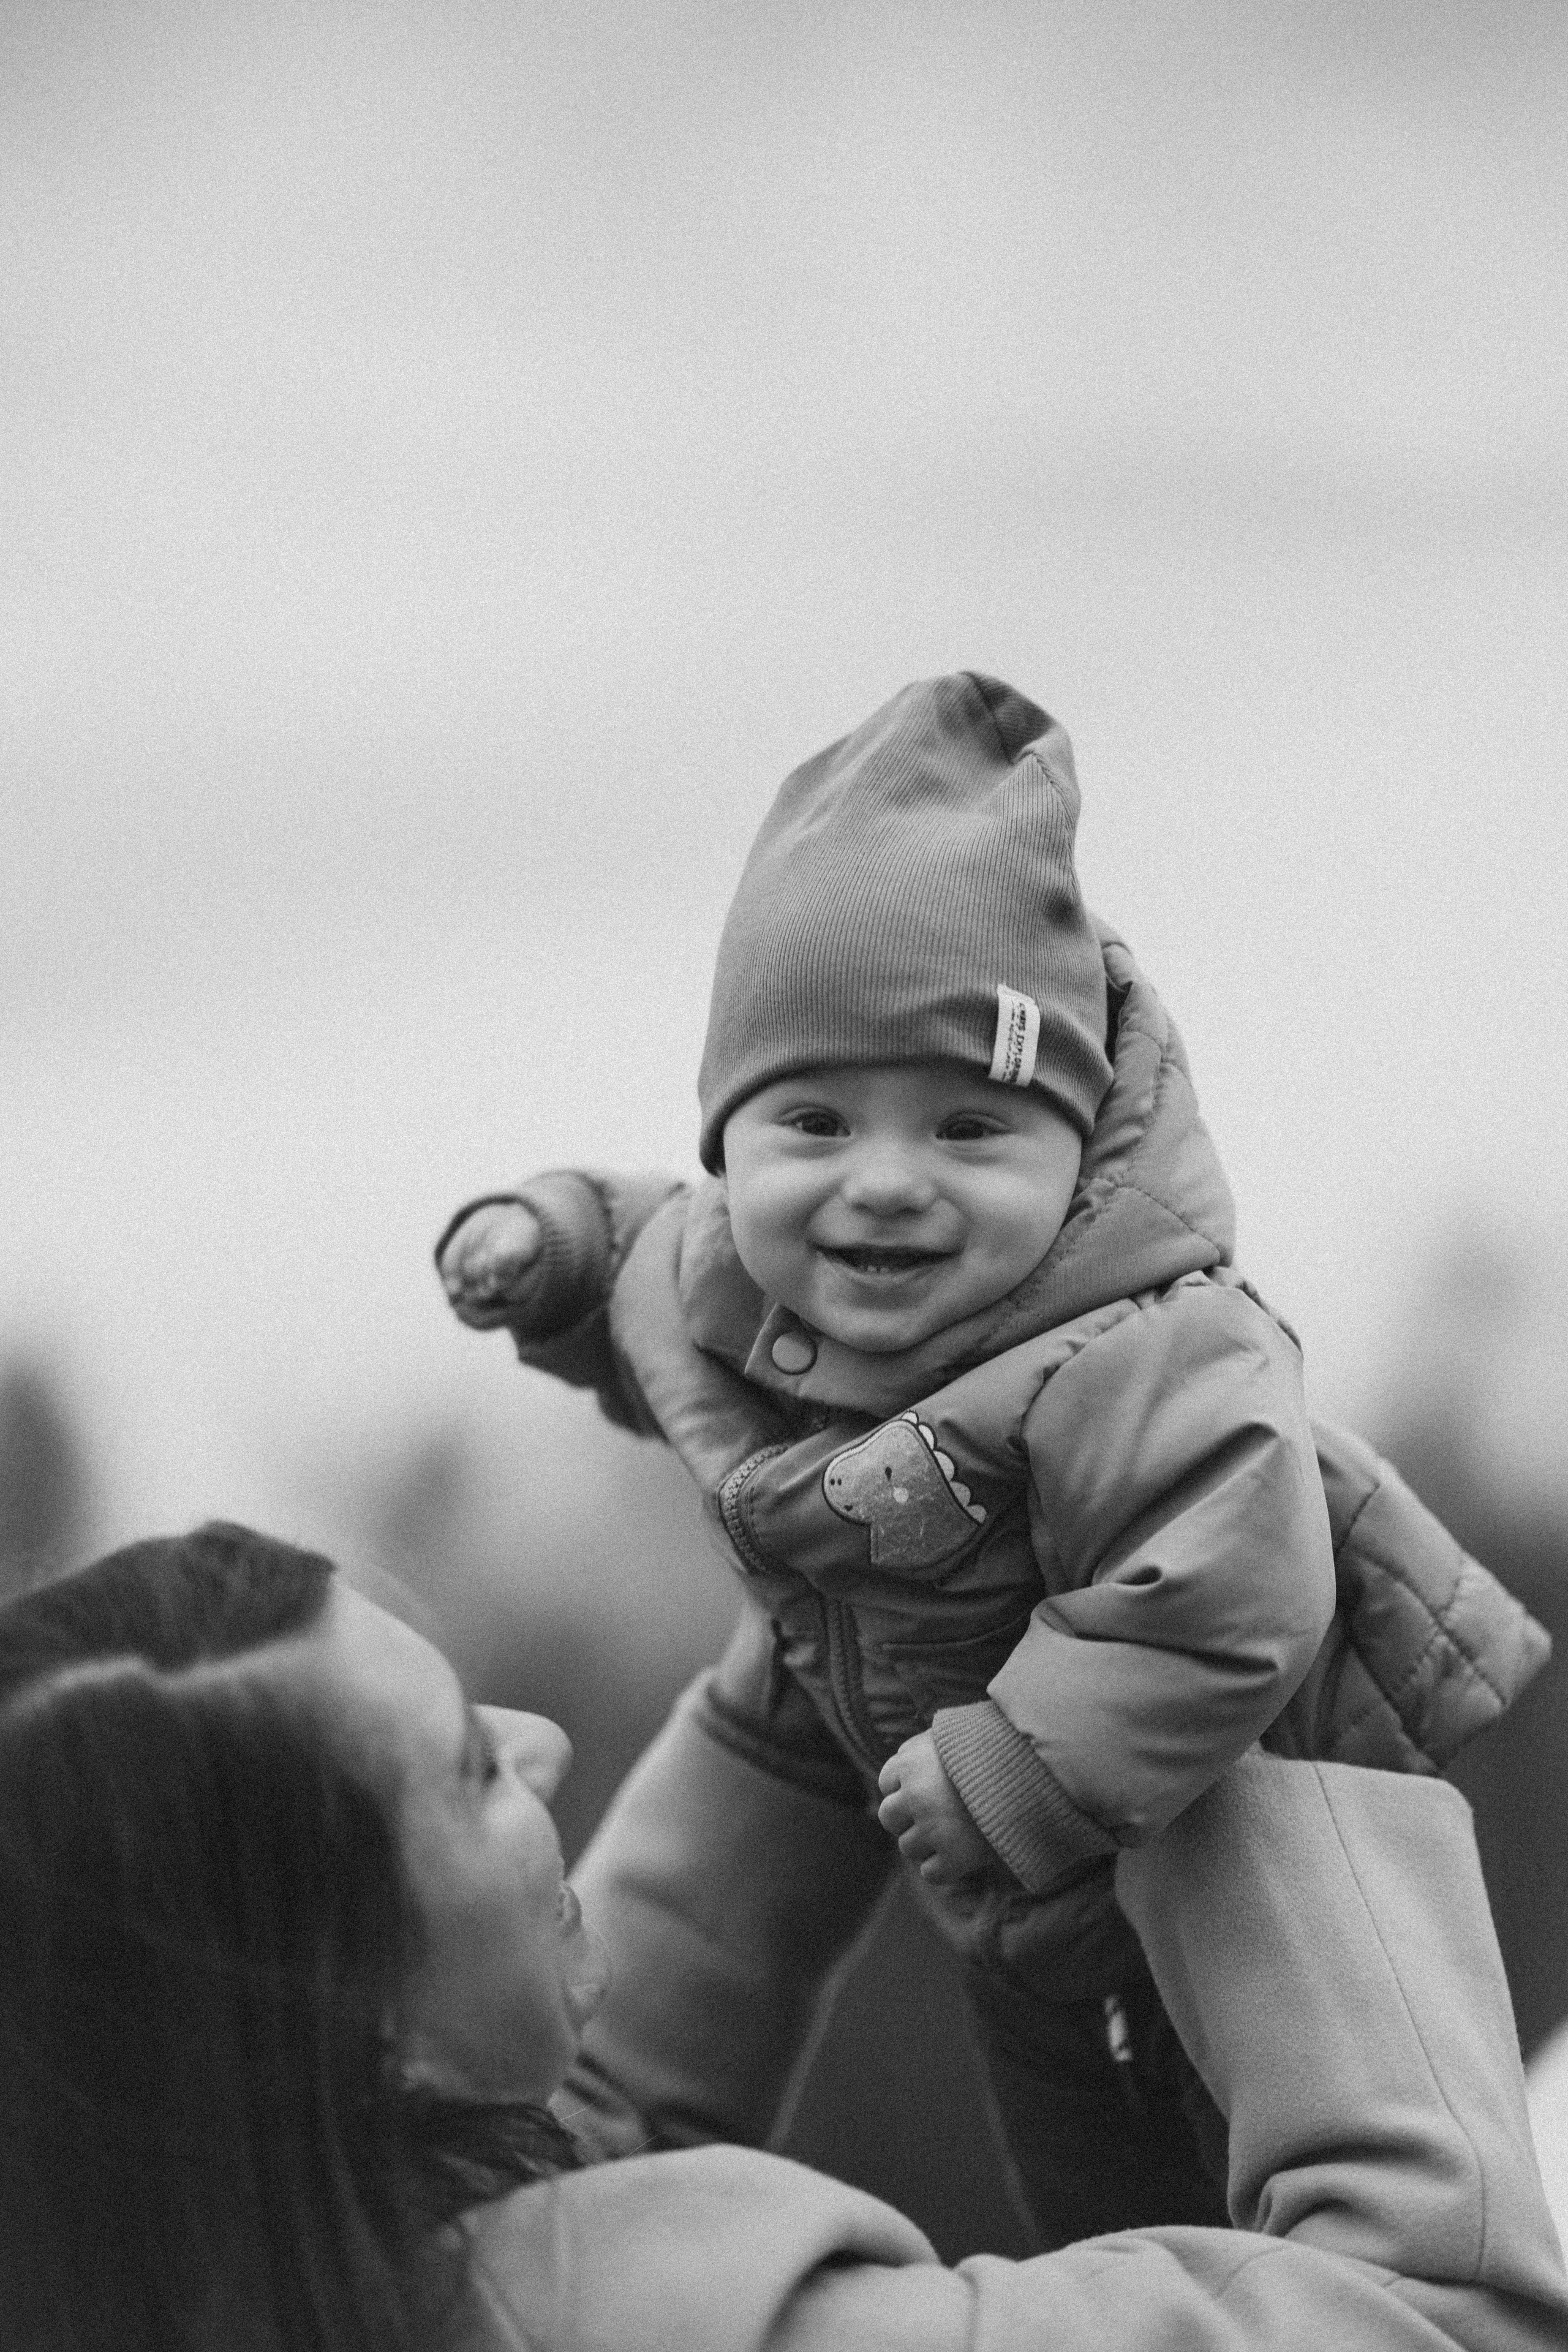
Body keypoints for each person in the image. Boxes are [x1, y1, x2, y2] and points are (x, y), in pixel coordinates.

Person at [435, 670, 1550, 2241]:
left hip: (1186, 1810)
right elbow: (635, 1259)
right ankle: (563, 2161)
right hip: (900, 1757)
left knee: (1208, 2177)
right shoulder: (724, 1272)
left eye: (967, 1130)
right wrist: (543, 1247)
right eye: (813, 1124)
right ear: (731, 1143)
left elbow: (1227, 1589)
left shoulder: (1146, 1346)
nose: (882, 1185)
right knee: (760, 1942)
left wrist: (1017, 1769)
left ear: (1075, 1143)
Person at [0, 1521, 1562, 2352]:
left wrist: (836, 1642)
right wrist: (1213, 1723)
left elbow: (550, 2164)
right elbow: (1430, 2333)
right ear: (349, 2026)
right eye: (471, 1773)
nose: (539, 1739)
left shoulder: (211, 2264)